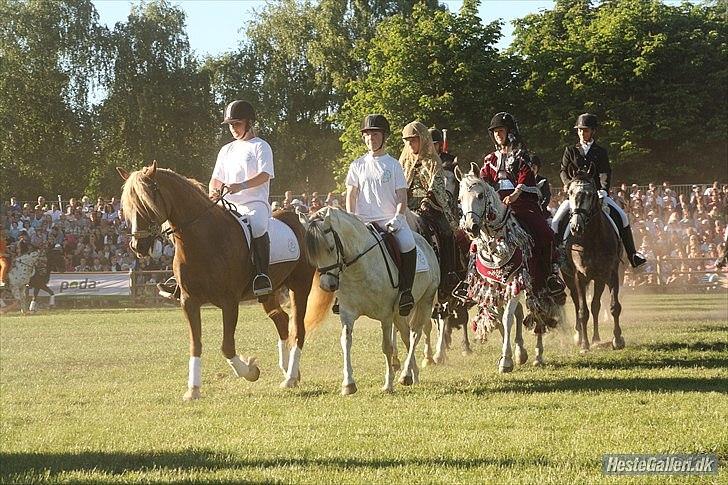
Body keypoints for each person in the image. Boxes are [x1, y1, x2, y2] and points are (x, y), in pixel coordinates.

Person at [159, 100, 275, 300]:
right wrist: (213, 191)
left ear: (249, 122)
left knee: (257, 227)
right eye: (230, 125)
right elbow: (216, 179)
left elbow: (265, 175)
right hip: (225, 202)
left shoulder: (260, 146)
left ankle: (261, 276)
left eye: (237, 124)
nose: (233, 128)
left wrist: (241, 185)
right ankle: (180, 278)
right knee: (193, 227)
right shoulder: (226, 150)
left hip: (253, 203)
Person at [479, 112, 566, 297]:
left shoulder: (522, 155)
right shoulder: (489, 159)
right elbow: (484, 180)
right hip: (496, 207)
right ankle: (471, 278)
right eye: (494, 132)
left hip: (521, 203)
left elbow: (525, 176)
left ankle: (551, 274)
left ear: (510, 132)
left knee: (544, 232)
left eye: (500, 131)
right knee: (471, 236)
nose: (497, 135)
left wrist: (516, 194)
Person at [551, 113, 646, 268]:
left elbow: (605, 172)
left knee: (622, 217)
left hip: (595, 194)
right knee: (555, 222)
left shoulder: (600, 151)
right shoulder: (570, 150)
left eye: (586, 130)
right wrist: (568, 184)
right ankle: (555, 258)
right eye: (580, 130)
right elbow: (563, 170)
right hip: (575, 196)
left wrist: (603, 189)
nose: (582, 133)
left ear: (592, 131)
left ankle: (632, 255)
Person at [345, 114, 417, 316]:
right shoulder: (356, 165)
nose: (370, 138)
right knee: (340, 247)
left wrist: (399, 217)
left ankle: (405, 292)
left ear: (384, 137)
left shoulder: (393, 165)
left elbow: (402, 195)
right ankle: (340, 295)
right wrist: (352, 217)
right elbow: (351, 194)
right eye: (367, 135)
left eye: (375, 134)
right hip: (363, 221)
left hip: (388, 220)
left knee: (408, 243)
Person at [401, 121, 459, 289]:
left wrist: (427, 203)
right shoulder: (403, 164)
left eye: (414, 140)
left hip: (430, 208)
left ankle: (449, 275)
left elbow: (437, 189)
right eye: (408, 141)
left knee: (446, 231)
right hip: (406, 208)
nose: (410, 144)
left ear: (422, 140)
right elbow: (399, 187)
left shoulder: (434, 162)